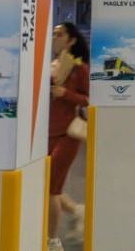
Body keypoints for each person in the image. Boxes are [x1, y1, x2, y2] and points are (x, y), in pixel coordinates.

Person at [48, 22, 90, 251]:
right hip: (46, 133)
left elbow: (88, 99)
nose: (55, 37)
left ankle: (53, 240)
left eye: (60, 34)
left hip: (68, 134)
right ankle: (76, 211)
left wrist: (66, 94)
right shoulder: (51, 66)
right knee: (47, 185)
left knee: (51, 190)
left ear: (71, 40)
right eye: (54, 34)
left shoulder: (79, 68)